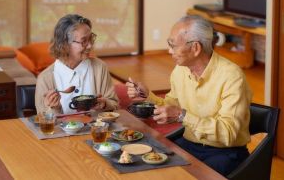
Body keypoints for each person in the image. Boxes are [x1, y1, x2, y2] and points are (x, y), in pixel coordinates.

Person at [126, 15, 251, 176]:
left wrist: (182, 115)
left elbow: (228, 133)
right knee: (149, 163)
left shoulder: (232, 76)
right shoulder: (180, 70)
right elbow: (172, 105)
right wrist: (147, 96)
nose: (169, 51)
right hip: (190, 144)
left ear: (195, 48)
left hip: (225, 152)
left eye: (173, 45)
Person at [35, 14, 118, 114]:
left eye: (91, 38)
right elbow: (42, 120)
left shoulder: (99, 67)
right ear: (64, 45)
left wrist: (104, 104)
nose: (90, 45)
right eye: (83, 41)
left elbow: (114, 104)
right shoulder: (45, 79)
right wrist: (55, 109)